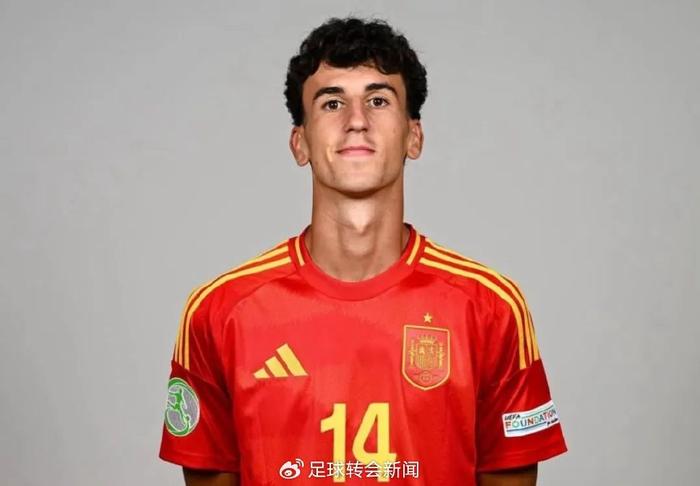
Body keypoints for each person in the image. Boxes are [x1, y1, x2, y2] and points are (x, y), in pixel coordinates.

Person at [159, 16, 567, 486]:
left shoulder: (491, 308)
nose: (356, 121)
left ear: (414, 136)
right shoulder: (219, 312)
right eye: (332, 103)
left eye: (378, 100)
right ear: (300, 142)